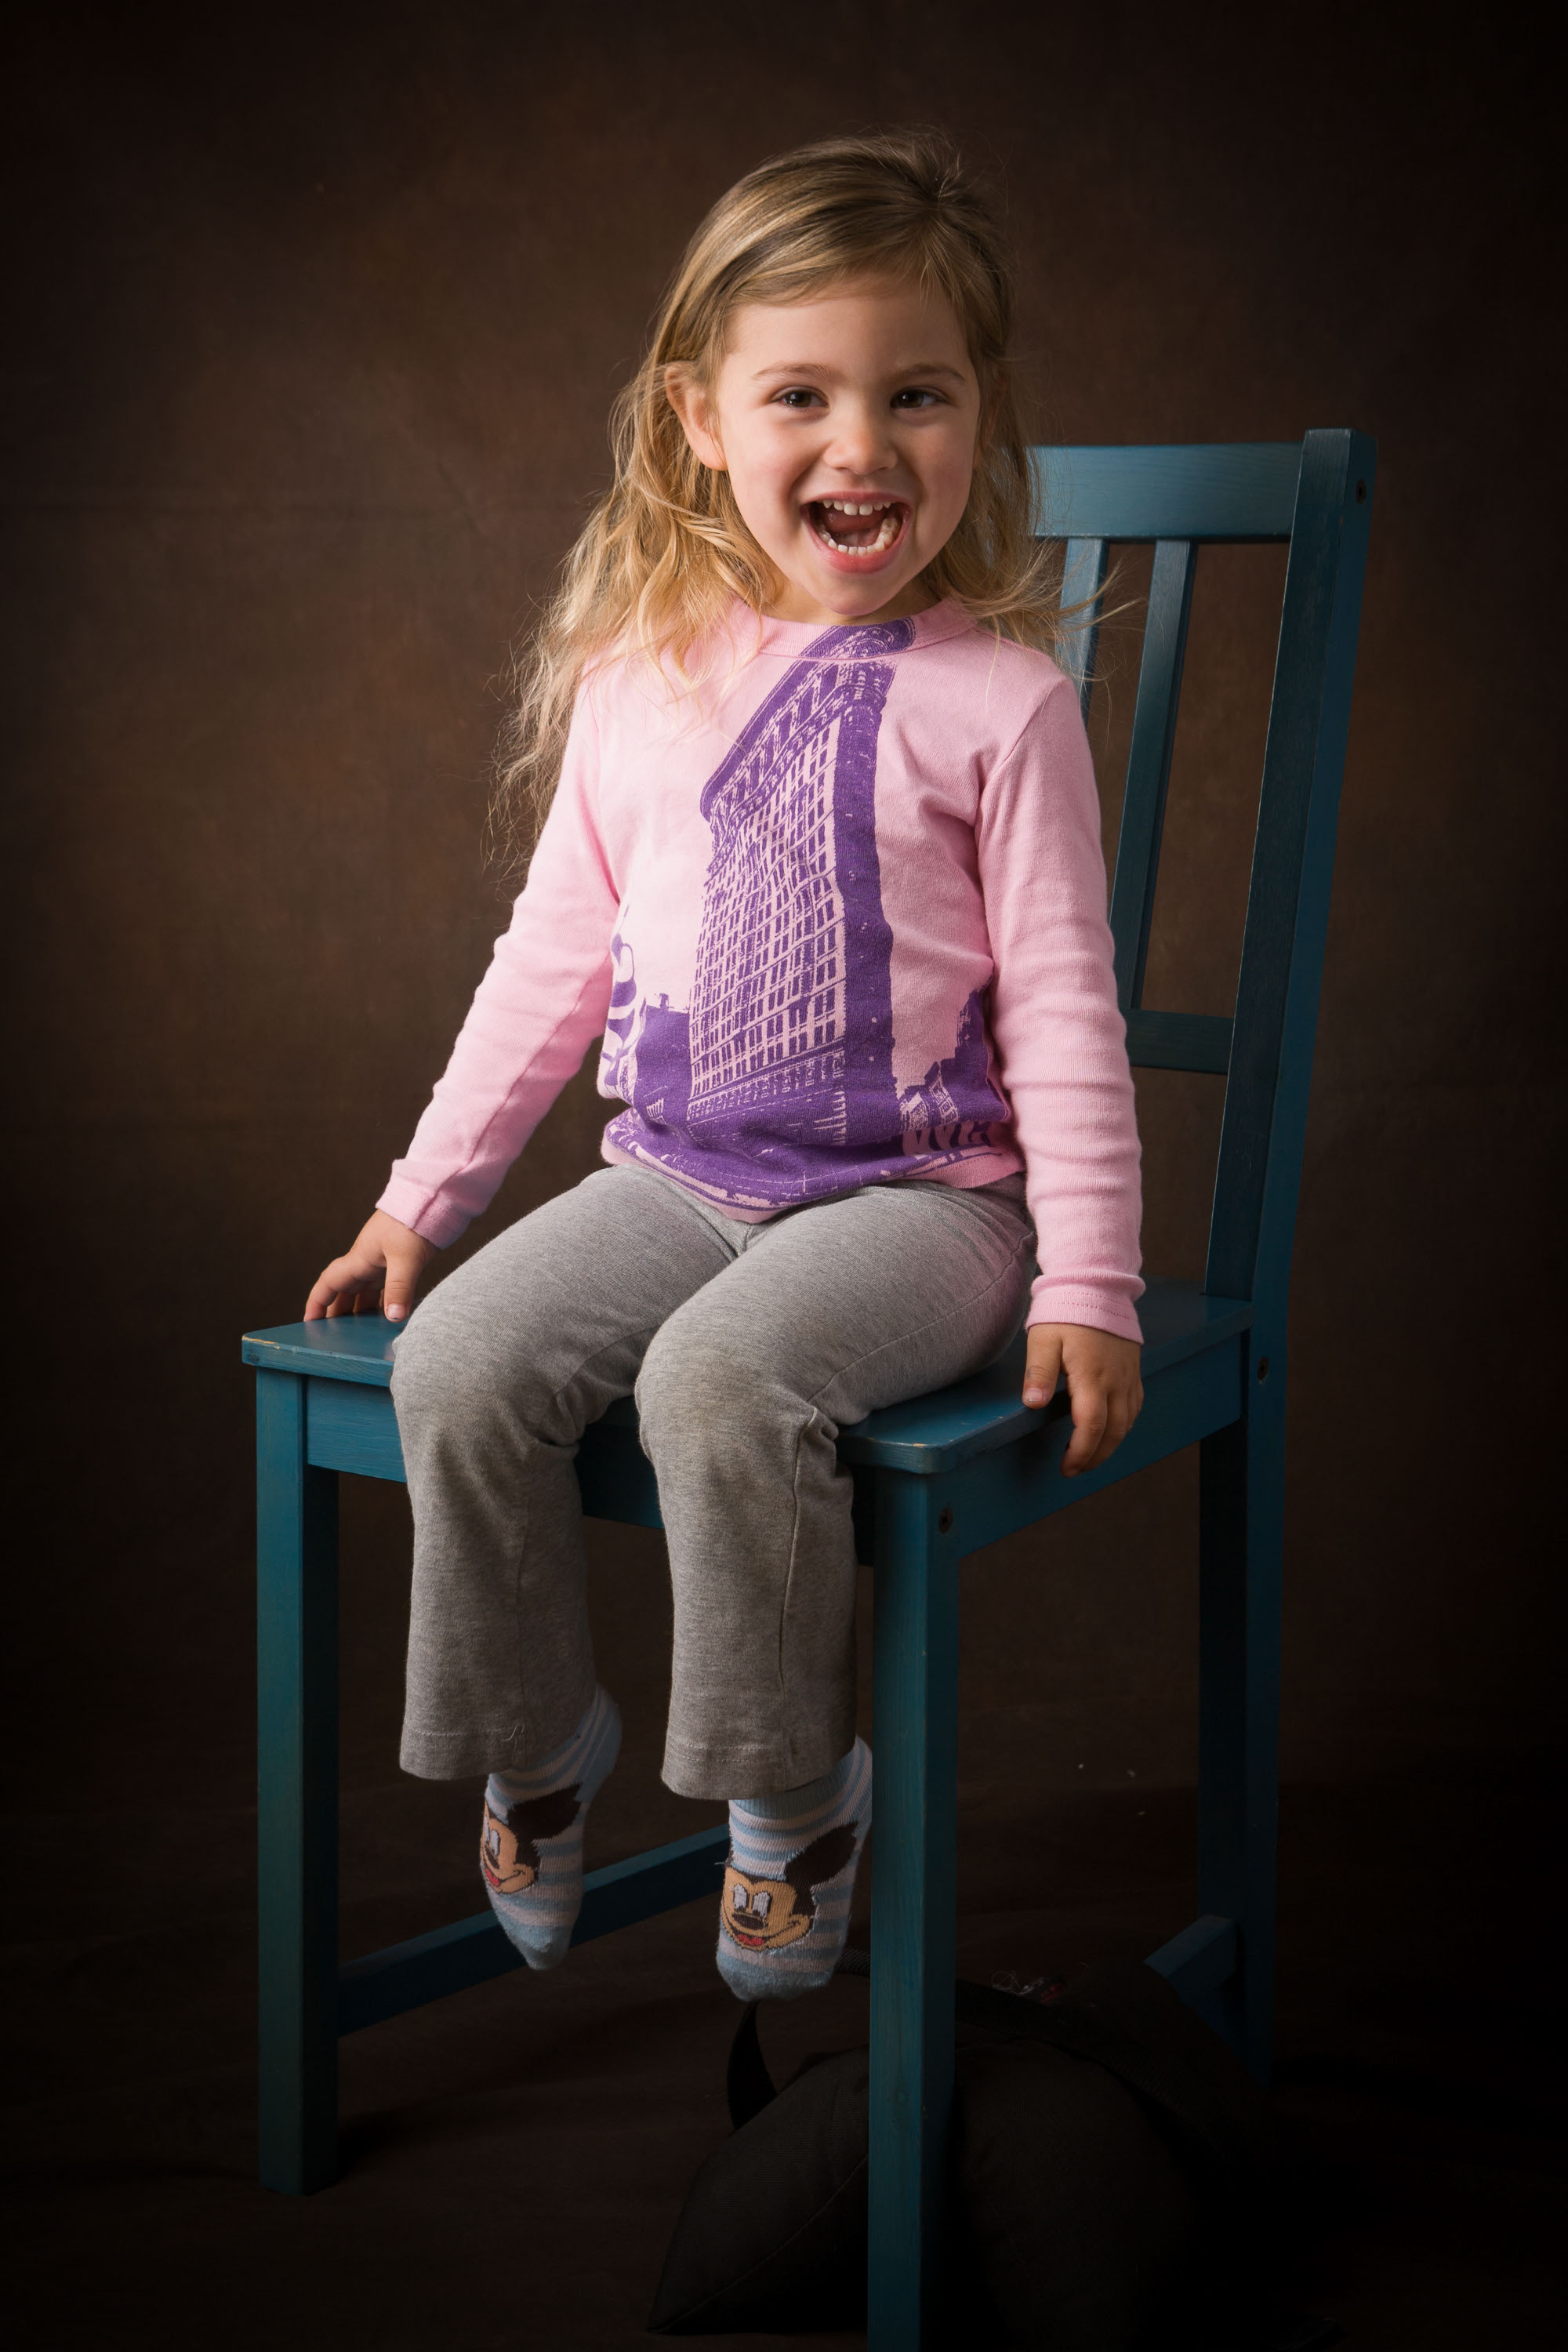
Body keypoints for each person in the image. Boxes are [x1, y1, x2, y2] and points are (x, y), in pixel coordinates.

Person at [305, 131, 1145, 2002]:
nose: (861, 447)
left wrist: (1090, 1277)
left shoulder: (1005, 705)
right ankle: (546, 1751)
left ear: (975, 415)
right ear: (700, 418)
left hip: (928, 1203)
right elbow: (546, 968)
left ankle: (790, 1799)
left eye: (914, 395)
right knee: (455, 1361)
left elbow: (1073, 1017)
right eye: (801, 396)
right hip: (680, 1178)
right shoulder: (643, 677)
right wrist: (414, 1200)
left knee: (720, 1378)